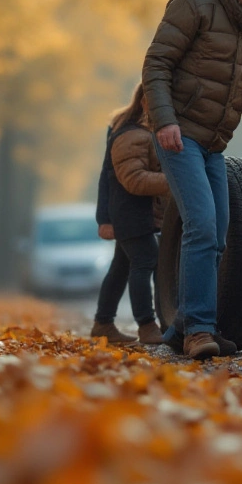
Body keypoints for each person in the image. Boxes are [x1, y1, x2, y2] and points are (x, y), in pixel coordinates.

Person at [142, 0, 242, 360]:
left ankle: (182, 324)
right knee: (201, 224)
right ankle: (199, 330)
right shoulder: (192, 3)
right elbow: (156, 65)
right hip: (179, 135)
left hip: (214, 144)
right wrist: (164, 121)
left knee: (217, 232)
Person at [92, 84, 169, 345]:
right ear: (145, 101)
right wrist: (177, 181)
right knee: (146, 259)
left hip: (126, 210)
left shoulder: (130, 128)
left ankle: (103, 323)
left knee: (121, 267)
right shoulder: (131, 133)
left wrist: (104, 217)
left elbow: (106, 176)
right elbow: (124, 178)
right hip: (132, 211)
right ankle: (146, 325)